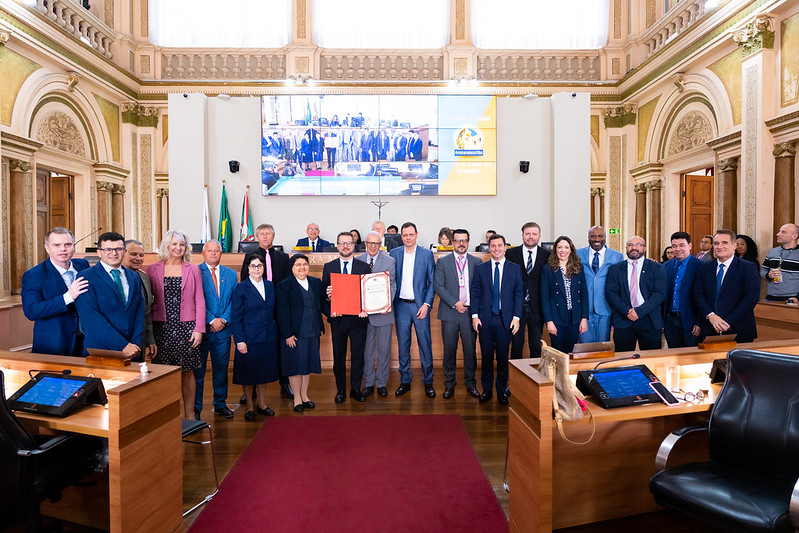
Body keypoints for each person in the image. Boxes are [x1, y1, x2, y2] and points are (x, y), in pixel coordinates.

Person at [146, 229, 206, 420]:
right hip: (161, 327)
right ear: (167, 246)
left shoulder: (193, 269)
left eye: (181, 244)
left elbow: (200, 300)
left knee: (187, 372)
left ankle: (189, 415)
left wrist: (199, 329)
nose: (178, 248)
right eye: (174, 244)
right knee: (162, 372)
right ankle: (166, 416)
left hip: (186, 327)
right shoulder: (153, 269)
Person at [241, 223, 294, 399]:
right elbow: (244, 282)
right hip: (256, 311)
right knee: (256, 349)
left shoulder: (283, 257)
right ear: (257, 237)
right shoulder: (250, 256)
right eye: (261, 234)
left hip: (279, 307)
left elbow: (288, 283)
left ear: (273, 236)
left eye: (268, 234)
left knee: (282, 346)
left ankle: (284, 383)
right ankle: (252, 387)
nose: (265, 236)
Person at [471, 234, 523, 405]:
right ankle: (486, 390)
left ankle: (501, 390)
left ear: (505, 247)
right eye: (493, 246)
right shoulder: (481, 268)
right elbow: (476, 293)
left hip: (505, 320)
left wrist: (516, 317)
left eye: (500, 245)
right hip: (485, 319)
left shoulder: (514, 269)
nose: (496, 249)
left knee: (502, 356)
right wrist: (474, 316)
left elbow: (518, 294)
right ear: (489, 248)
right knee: (486, 356)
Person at [21, 227, 90, 357]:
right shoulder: (34, 275)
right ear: (47, 248)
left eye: (67, 244)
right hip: (54, 345)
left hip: (87, 344)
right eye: (56, 245)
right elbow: (31, 311)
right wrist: (68, 297)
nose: (63, 249)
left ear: (73, 246)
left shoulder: (83, 265)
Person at [77, 231, 144, 360]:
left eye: (118, 249)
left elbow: (139, 313)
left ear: (124, 251)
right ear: (99, 252)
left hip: (132, 350)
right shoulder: (86, 276)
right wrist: (123, 345)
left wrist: (134, 344)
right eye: (108, 249)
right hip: (101, 349)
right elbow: (91, 318)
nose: (114, 253)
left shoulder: (133, 276)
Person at [322, 232, 370, 403]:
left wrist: (366, 308)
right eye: (342, 243)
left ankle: (356, 389)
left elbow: (367, 294)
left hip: (358, 319)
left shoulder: (363, 267)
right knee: (339, 356)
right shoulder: (329, 267)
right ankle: (341, 389)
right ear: (337, 245)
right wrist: (328, 298)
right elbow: (323, 296)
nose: (345, 246)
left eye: (348, 243)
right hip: (338, 319)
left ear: (353, 246)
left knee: (358, 355)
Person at [230, 254, 279, 420]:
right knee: (248, 374)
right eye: (253, 266)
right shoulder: (241, 288)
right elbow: (236, 316)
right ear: (248, 268)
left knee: (263, 374)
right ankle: (250, 406)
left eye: (260, 266)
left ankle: (262, 404)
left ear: (264, 268)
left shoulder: (270, 286)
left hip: (268, 337)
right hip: (249, 338)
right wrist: (240, 340)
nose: (257, 269)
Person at [434, 229, 482, 399]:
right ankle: (449, 384)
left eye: (464, 240)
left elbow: (480, 288)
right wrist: (455, 303)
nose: (461, 244)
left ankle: (470, 383)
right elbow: (438, 286)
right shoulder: (443, 262)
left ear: (468, 242)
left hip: (470, 314)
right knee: (449, 351)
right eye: (458, 240)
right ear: (453, 243)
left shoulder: (477, 262)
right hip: (450, 312)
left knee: (470, 352)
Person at [390, 222, 436, 398]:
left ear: (416, 234)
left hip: (420, 306)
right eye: (405, 235)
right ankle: (405, 380)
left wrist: (426, 304)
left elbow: (432, 282)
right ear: (401, 237)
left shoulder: (426, 254)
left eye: (411, 234)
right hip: (400, 306)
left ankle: (428, 381)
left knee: (425, 344)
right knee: (403, 345)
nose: (408, 237)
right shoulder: (394, 254)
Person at [194, 240, 237, 419]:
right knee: (198, 372)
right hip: (201, 331)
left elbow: (235, 300)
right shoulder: (195, 272)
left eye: (217, 251)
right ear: (203, 253)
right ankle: (195, 409)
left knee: (221, 370)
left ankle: (220, 404)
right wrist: (211, 319)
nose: (213, 254)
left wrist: (223, 320)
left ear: (221, 253)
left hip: (223, 331)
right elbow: (193, 300)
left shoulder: (232, 274)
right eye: (210, 251)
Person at [694, 229, 760, 342]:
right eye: (716, 243)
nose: (719, 246)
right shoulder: (704, 267)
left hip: (738, 328)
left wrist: (728, 322)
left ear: (734, 245)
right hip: (710, 327)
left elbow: (751, 298)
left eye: (724, 243)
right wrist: (710, 315)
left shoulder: (748, 267)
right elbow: (698, 294)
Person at [276, 254, 323, 412]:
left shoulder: (316, 283)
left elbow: (322, 303)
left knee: (307, 365)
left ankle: (305, 396)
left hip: (312, 330)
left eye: (305, 264)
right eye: (298, 265)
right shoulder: (284, 285)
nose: (302, 267)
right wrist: (287, 334)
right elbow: (281, 312)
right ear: (292, 267)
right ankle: (296, 397)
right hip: (294, 334)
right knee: (295, 366)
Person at [605, 236, 666, 352]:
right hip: (623, 320)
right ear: (626, 248)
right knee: (622, 360)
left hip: (649, 319)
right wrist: (627, 311)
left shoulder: (657, 268)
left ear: (645, 248)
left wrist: (639, 312)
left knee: (651, 359)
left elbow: (659, 294)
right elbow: (611, 293)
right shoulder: (615, 269)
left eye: (638, 245)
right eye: (630, 245)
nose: (634, 248)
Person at [356, 231, 396, 397]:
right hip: (363, 315)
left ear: (381, 245)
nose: (373, 246)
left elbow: (392, 285)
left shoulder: (390, 261)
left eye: (376, 243)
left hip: (383, 313)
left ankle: (381, 382)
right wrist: (361, 307)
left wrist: (383, 304)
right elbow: (355, 288)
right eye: (370, 243)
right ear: (365, 243)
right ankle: (369, 382)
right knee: (367, 351)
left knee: (384, 350)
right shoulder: (357, 261)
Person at [506, 222, 549, 358]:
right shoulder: (511, 253)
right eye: (527, 233)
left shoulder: (547, 255)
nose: (531, 237)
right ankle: (516, 378)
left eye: (534, 234)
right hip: (515, 306)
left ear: (539, 236)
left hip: (536, 306)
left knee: (536, 344)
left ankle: (535, 377)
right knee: (516, 344)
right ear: (522, 235)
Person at [540, 236, 588, 354]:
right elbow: (544, 298)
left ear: (571, 250)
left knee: (571, 352)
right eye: (560, 247)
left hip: (575, 317)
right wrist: (549, 321)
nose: (563, 250)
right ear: (555, 249)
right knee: (558, 352)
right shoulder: (547, 269)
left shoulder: (578, 268)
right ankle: (557, 373)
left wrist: (584, 318)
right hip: (556, 317)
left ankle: (568, 373)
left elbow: (584, 295)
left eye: (566, 247)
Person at [576, 226, 624, 343]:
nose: (596, 239)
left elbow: (620, 283)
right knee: (585, 347)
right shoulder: (577, 254)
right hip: (583, 309)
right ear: (588, 238)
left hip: (606, 308)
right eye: (592, 236)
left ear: (605, 238)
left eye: (600, 236)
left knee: (603, 347)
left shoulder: (617, 256)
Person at [663, 232, 702, 348]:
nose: (677, 249)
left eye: (681, 245)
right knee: (674, 356)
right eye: (674, 246)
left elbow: (704, 296)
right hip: (670, 320)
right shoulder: (666, 266)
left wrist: (699, 322)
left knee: (691, 358)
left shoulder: (701, 266)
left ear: (689, 246)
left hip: (691, 321)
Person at [122, 239, 157, 360]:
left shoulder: (144, 277)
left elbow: (146, 313)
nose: (138, 258)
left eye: (141, 255)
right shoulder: (115, 278)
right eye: (133, 254)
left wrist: (150, 339)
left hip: (139, 341)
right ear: (122, 253)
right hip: (121, 343)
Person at [761, 223, 799, 304]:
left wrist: (798, 299)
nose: (777, 234)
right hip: (770, 298)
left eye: (783, 232)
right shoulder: (773, 251)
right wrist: (768, 275)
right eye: (779, 231)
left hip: (792, 300)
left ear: (794, 236)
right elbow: (762, 271)